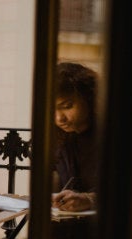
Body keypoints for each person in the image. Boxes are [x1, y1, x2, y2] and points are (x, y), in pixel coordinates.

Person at [51, 62, 99, 212]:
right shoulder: (58, 137)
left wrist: (90, 200)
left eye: (67, 106)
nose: (59, 119)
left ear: (89, 99)